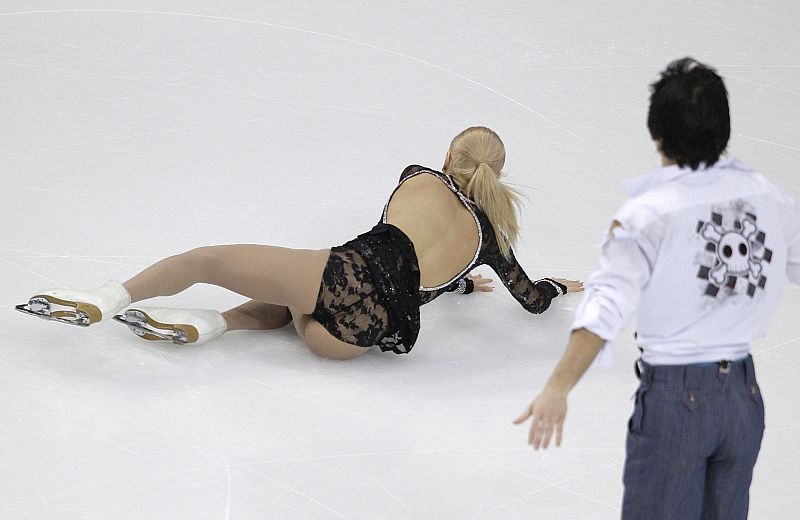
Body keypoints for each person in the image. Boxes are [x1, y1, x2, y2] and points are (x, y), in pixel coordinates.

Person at [514, 58, 800, 519]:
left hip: (677, 402)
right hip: (743, 401)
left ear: (657, 135)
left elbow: (605, 308)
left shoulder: (648, 214)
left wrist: (557, 387)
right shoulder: (768, 197)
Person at [16, 126, 583, 359]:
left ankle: (105, 298)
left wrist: (455, 283)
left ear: (448, 157)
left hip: (337, 279)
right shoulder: (489, 237)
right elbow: (530, 298)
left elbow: (385, 251)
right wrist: (550, 286)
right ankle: (216, 324)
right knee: (293, 307)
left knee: (205, 260)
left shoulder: (419, 177)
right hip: (349, 342)